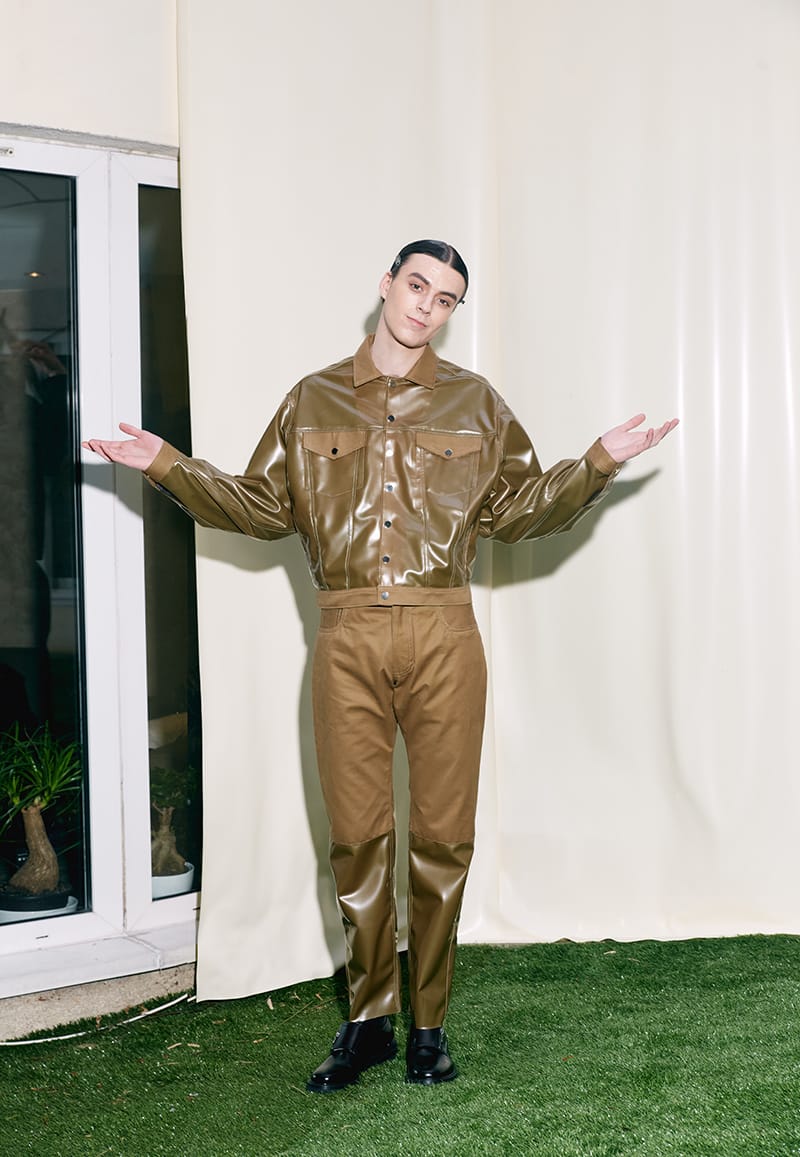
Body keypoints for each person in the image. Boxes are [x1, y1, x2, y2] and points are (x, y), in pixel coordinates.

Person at [84, 239, 678, 1093]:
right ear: (387, 285)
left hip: (445, 635)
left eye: (445, 298)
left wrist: (597, 461)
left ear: (452, 312)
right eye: (417, 285)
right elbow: (261, 507)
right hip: (346, 635)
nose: (426, 305)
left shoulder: (476, 402)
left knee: (442, 837)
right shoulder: (312, 397)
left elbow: (518, 513)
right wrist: (166, 464)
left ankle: (428, 1024)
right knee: (358, 837)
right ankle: (368, 1020)